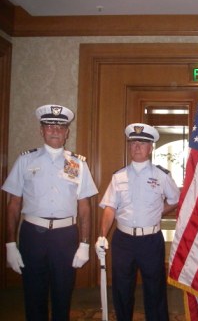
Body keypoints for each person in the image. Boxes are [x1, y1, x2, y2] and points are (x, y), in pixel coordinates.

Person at [2, 104, 98, 321]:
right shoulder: (25, 160)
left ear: (67, 132)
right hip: (33, 235)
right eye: (49, 125)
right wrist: (9, 244)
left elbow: (84, 206)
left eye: (60, 126)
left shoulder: (78, 164)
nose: (55, 130)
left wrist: (84, 243)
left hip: (65, 237)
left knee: (63, 294)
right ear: (41, 130)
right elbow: (14, 204)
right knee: (33, 295)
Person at [95, 123, 180, 321]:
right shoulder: (118, 177)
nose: (137, 146)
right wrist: (102, 235)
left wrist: (158, 211)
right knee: (122, 288)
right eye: (133, 142)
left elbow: (175, 199)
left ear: (151, 148)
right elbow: (109, 207)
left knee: (155, 289)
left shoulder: (162, 175)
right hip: (123, 240)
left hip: (151, 240)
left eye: (142, 143)